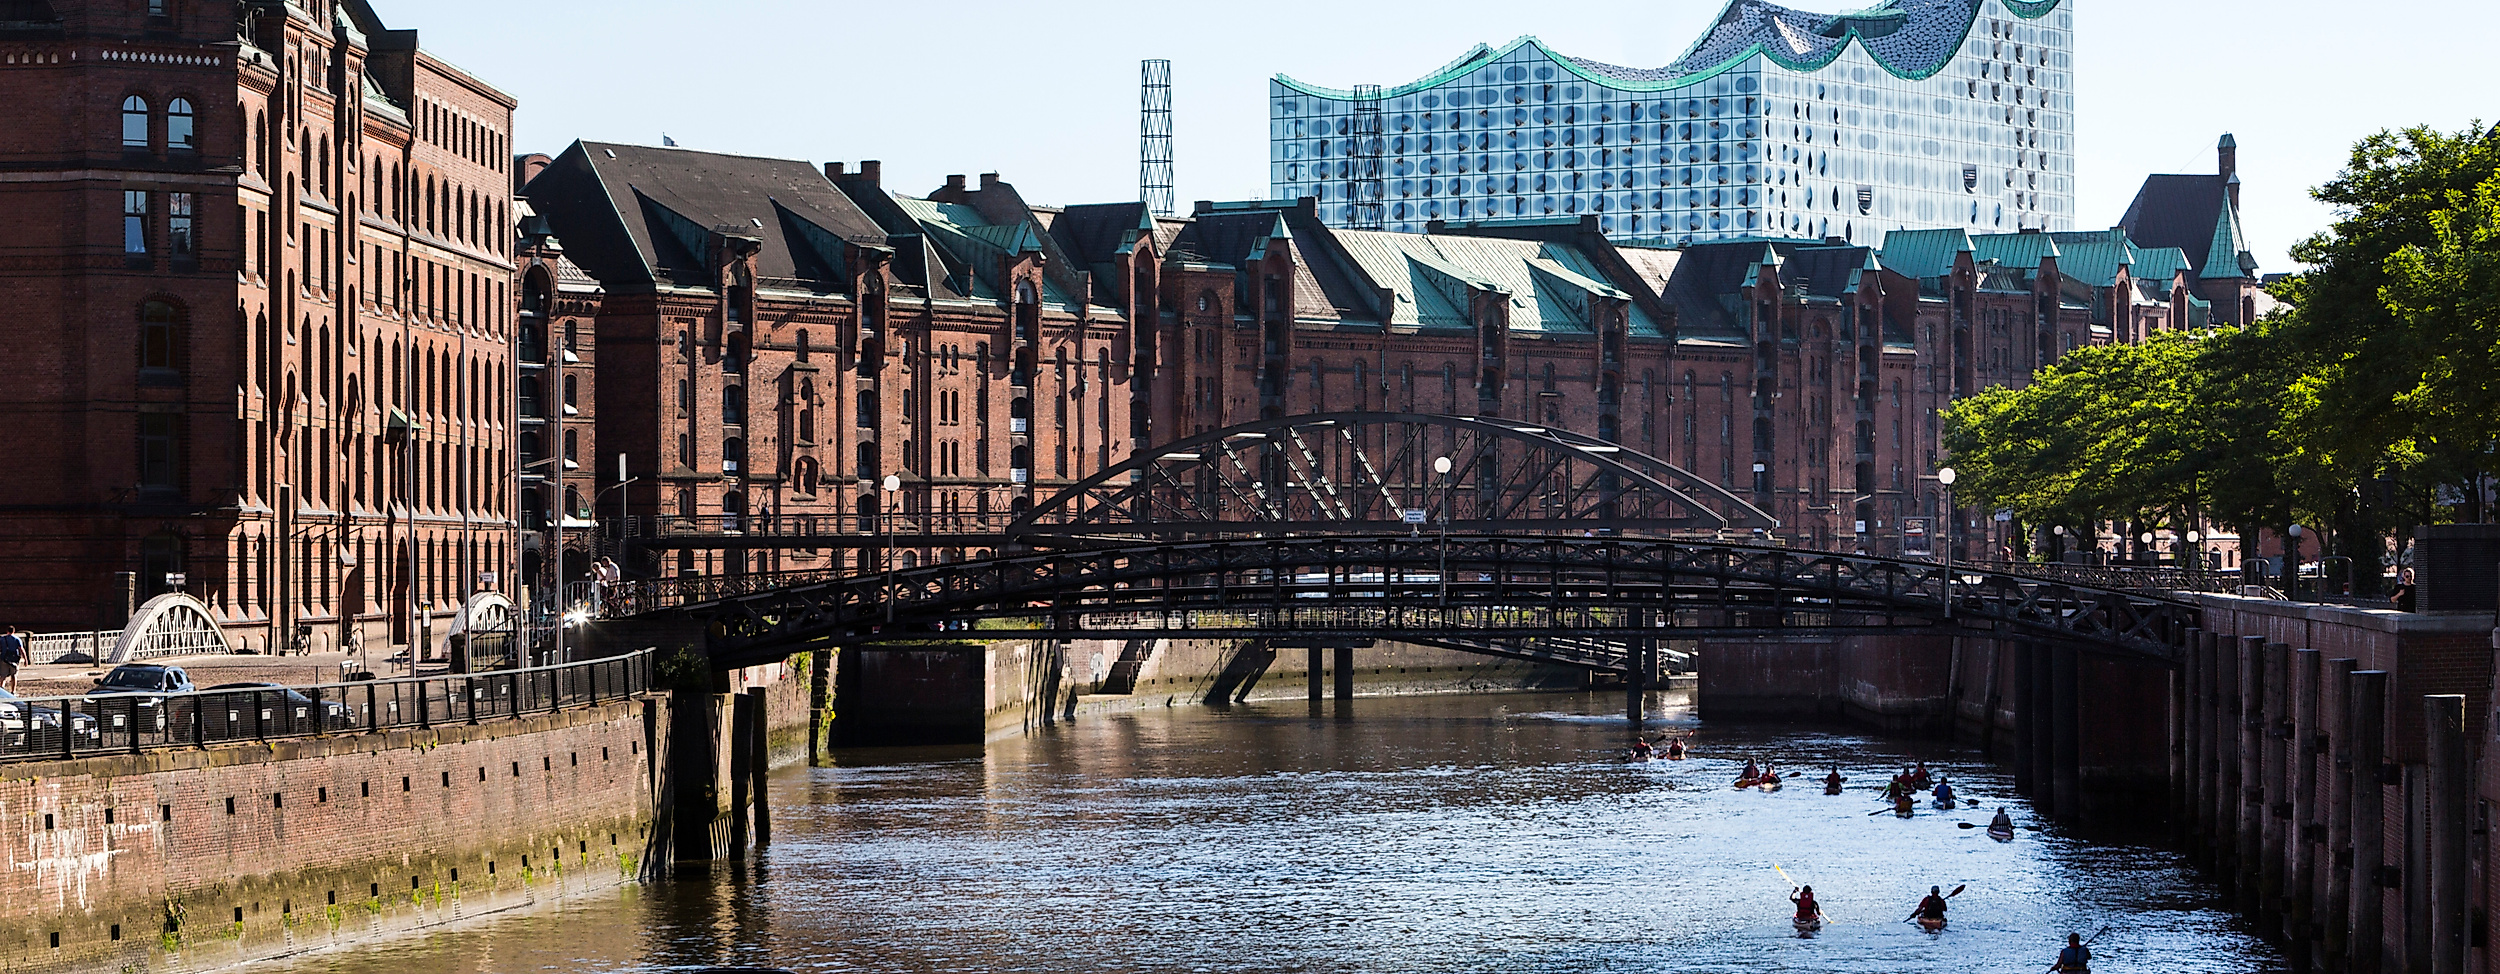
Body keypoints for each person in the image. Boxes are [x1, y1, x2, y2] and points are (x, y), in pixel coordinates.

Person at [0, 625, 21, 692]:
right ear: (14, 631)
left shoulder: (2, 639)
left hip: (4, 659)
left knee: (3, 676)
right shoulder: (17, 639)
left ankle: (1, 689)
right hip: (14, 660)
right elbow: (21, 649)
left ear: (7, 631)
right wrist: (26, 660)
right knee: (14, 675)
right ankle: (13, 691)